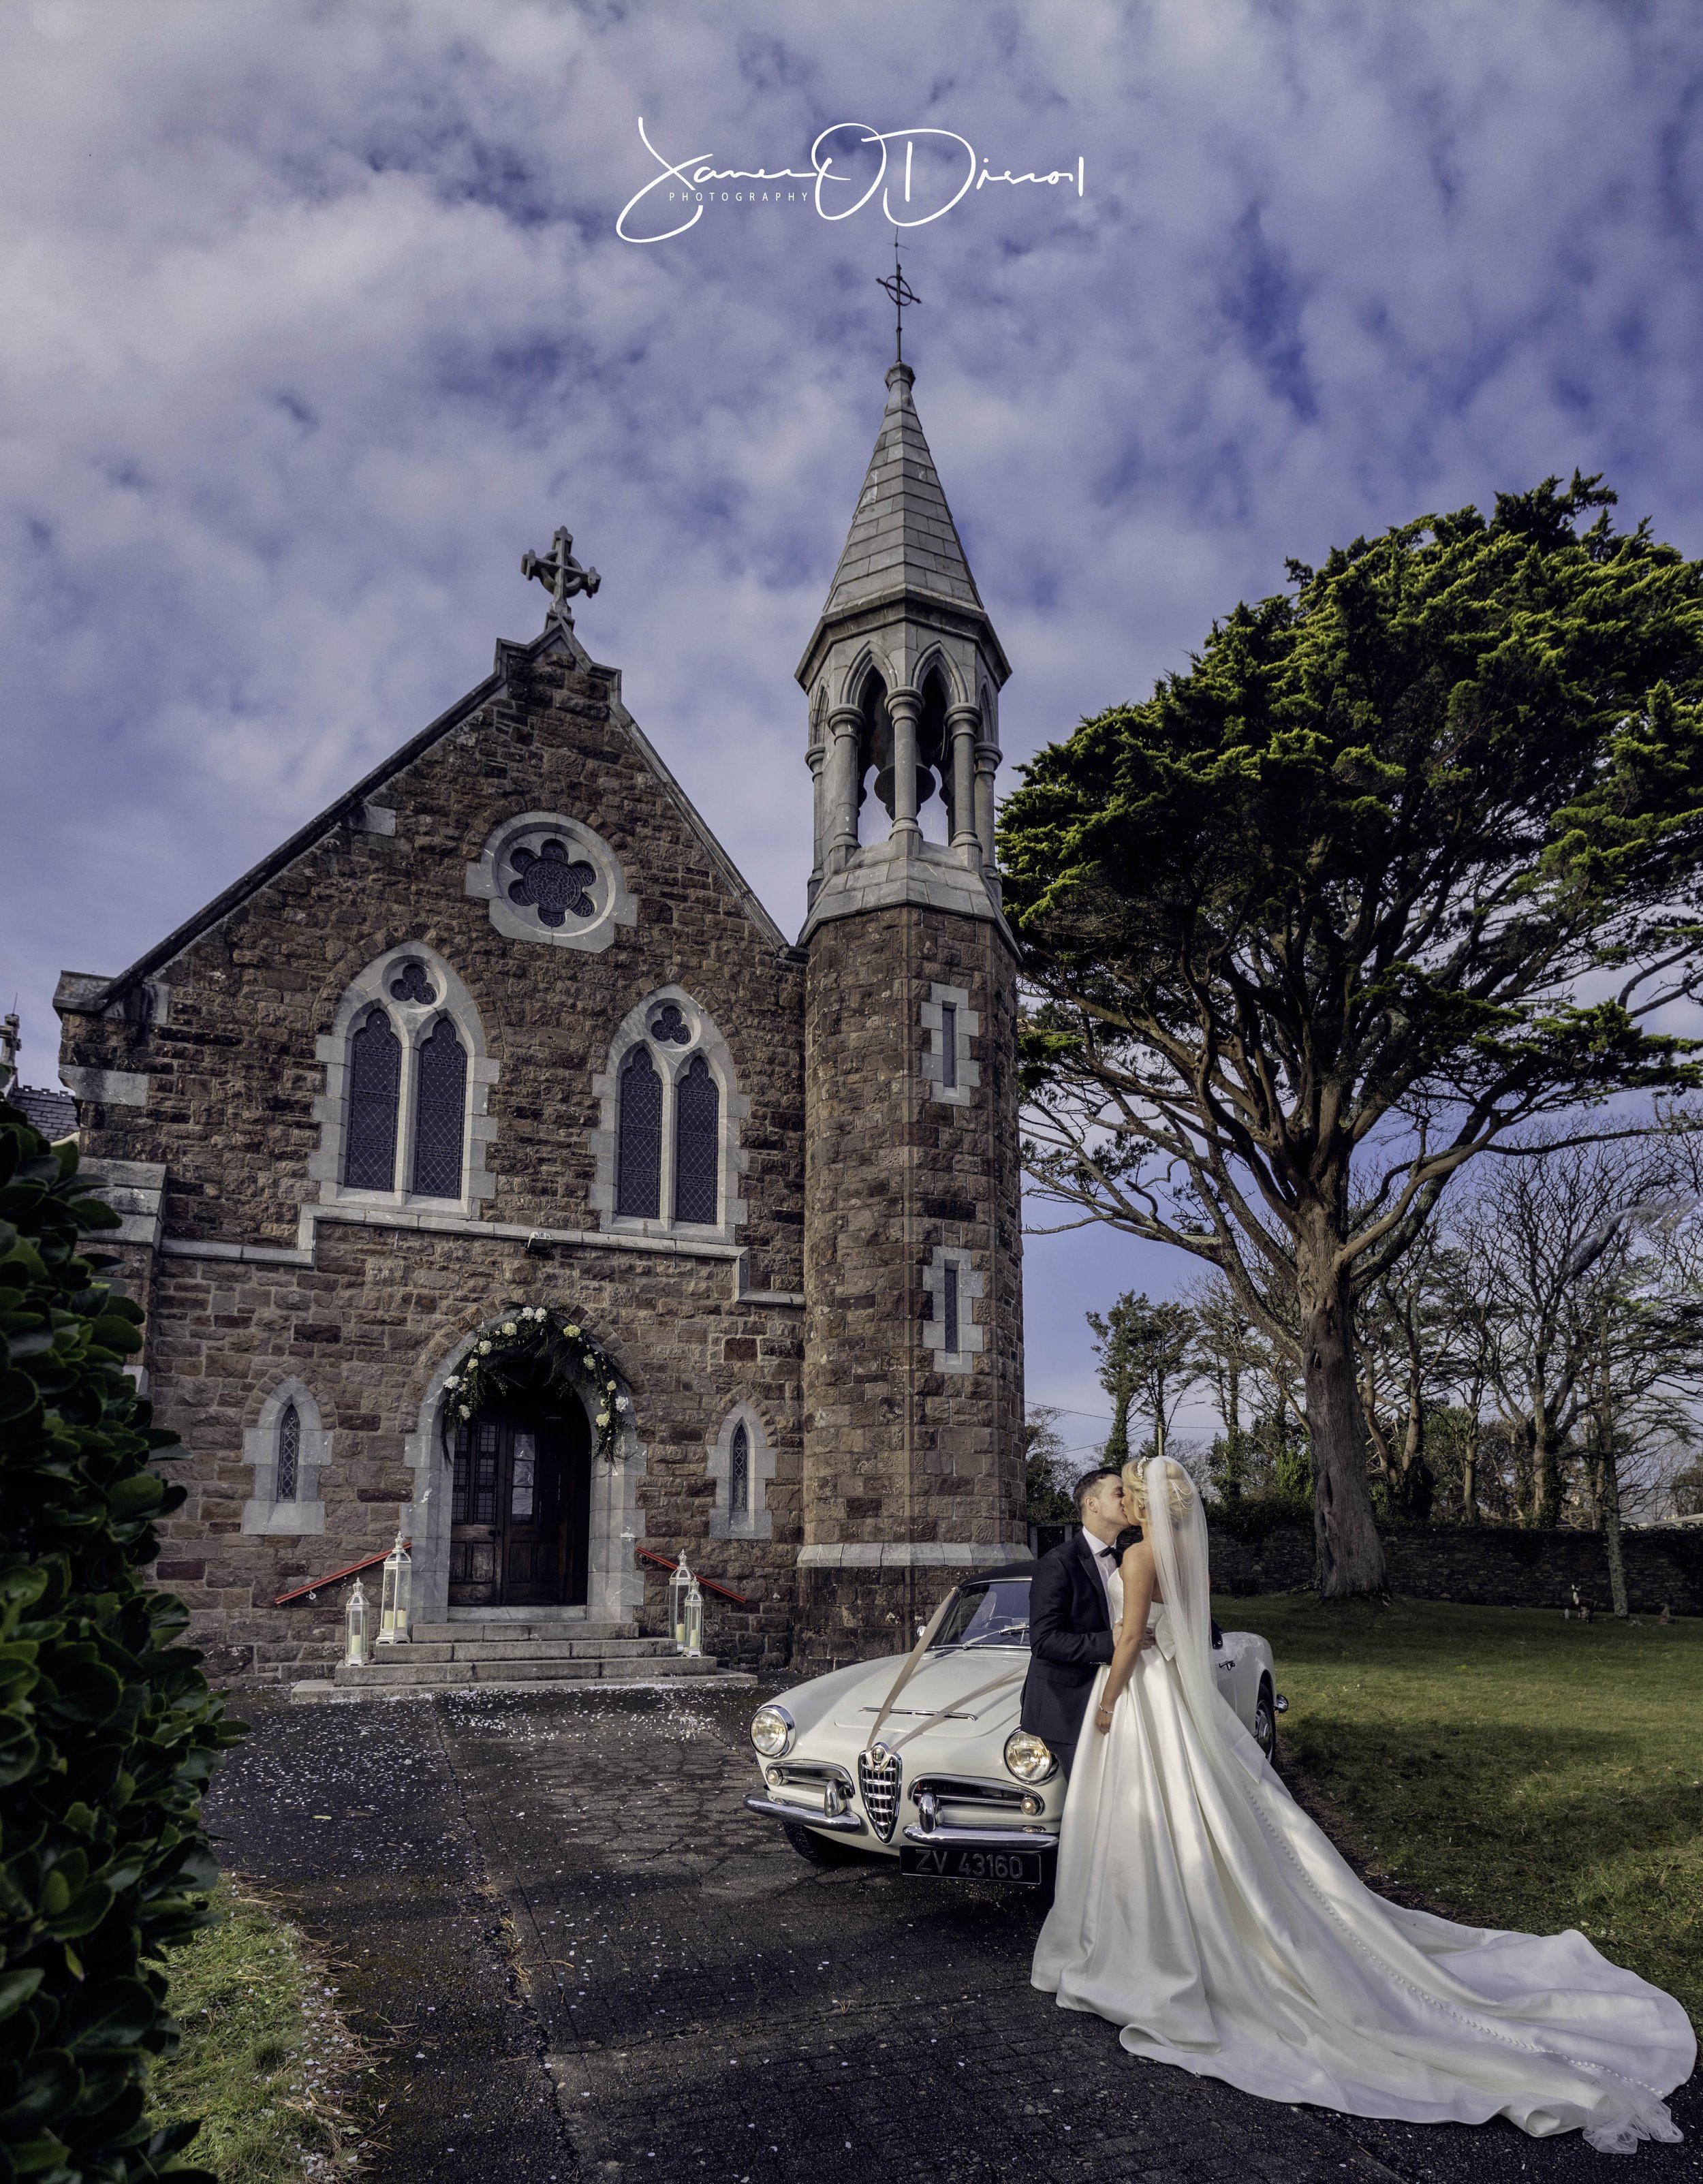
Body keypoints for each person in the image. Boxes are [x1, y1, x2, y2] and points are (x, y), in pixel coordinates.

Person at [1033, 1456, 1694, 2154]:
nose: (1124, 1498)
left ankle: (1153, 1942)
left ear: (1141, 1501)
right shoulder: (1181, 1550)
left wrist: (1106, 1704)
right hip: (1173, 1699)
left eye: (1128, 1490)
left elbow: (1131, 1639)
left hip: (1141, 1698)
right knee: (1191, 1812)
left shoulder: (1138, 1554)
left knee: (1149, 1817)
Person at [1020, 1467, 1150, 1781]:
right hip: (1067, 1704)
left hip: (1118, 1698)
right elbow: (1044, 1641)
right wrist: (1111, 1641)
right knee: (1083, 1802)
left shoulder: (1128, 1560)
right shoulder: (1057, 1563)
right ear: (1091, 1504)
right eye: (1119, 1493)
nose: (1126, 1500)